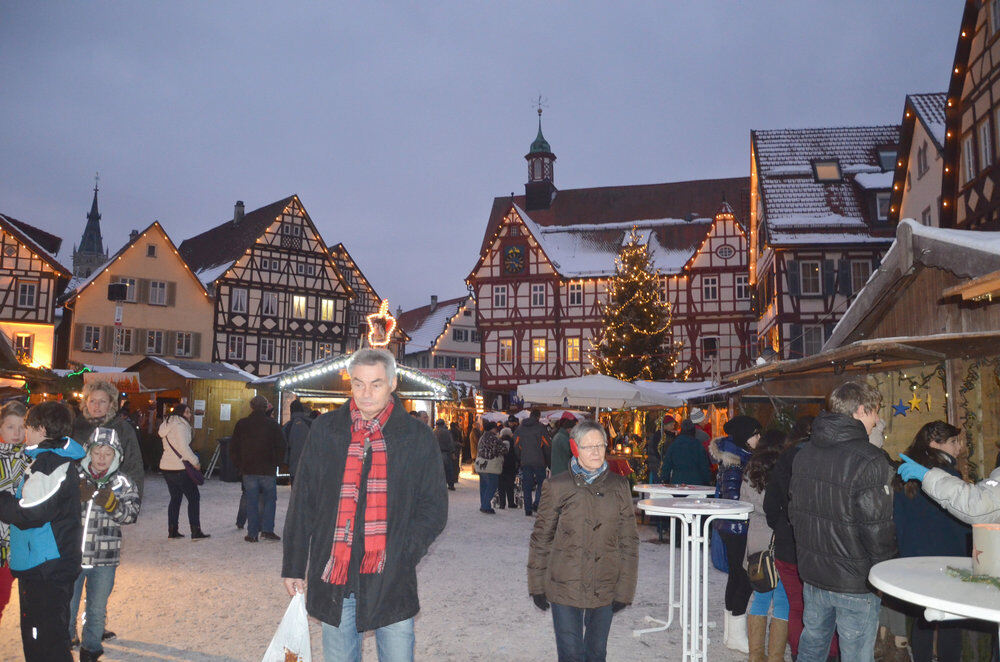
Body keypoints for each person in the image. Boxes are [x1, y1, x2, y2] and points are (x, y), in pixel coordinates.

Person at [281, 348, 448, 662]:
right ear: (350, 384)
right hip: (336, 575)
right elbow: (304, 501)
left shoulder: (417, 436)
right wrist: (293, 564)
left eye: (376, 384)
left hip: (392, 577)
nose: (366, 393)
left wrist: (403, 552)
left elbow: (434, 508)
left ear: (393, 384)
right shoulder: (326, 430)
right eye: (359, 384)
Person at [789, 381, 895, 662]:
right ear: (861, 410)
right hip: (855, 581)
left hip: (814, 575)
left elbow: (794, 514)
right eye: (875, 413)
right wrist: (885, 574)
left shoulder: (804, 454)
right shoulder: (870, 459)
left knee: (812, 647)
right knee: (857, 656)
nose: (877, 421)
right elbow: (877, 528)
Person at [527, 420, 639, 662]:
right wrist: (536, 585)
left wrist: (625, 589)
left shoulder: (619, 486)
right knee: (571, 654)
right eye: (588, 446)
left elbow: (629, 541)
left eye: (600, 445)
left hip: (605, 584)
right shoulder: (556, 486)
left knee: (597, 653)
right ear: (575, 449)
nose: (596, 451)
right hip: (565, 582)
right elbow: (541, 539)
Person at [0, 401, 85, 661]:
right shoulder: (45, 459)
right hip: (42, 563)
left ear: (41, 428)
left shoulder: (50, 463)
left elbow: (30, 512)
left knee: (46, 640)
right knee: (42, 636)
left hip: (47, 568)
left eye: (28, 426)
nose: (25, 431)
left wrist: (3, 500)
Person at [889, 421, 970, 662]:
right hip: (949, 560)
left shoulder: (905, 474)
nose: (959, 448)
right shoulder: (948, 477)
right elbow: (960, 523)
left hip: (915, 559)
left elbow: (899, 520)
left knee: (922, 619)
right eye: (953, 442)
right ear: (934, 444)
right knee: (950, 622)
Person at [764, 415, 838, 661]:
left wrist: (783, 526)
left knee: (797, 605)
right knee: (827, 606)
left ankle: (799, 654)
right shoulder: (831, 456)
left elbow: (771, 504)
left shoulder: (786, 458)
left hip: (789, 544)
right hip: (824, 544)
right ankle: (830, 653)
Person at [70, 427, 140, 662]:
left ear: (116, 456)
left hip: (104, 558)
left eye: (107, 454)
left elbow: (131, 515)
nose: (101, 459)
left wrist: (113, 504)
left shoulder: (122, 483)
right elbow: (58, 512)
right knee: (68, 604)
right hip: (73, 556)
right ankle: (68, 635)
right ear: (88, 453)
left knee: (96, 608)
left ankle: (90, 649)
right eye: (97, 453)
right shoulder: (75, 477)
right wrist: (74, 499)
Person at [709, 414, 762, 653]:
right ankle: (736, 633)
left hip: (735, 527)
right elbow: (732, 500)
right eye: (755, 434)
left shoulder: (740, 457)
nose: (758, 438)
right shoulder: (736, 461)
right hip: (737, 527)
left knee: (736, 577)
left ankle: (732, 632)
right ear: (744, 436)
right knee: (743, 578)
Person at [744, 429, 790, 662]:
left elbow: (745, 504)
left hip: (757, 541)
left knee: (761, 595)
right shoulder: (784, 468)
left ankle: (755, 657)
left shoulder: (751, 468)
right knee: (782, 598)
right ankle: (775, 657)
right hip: (780, 539)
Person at [73, 381, 144, 501]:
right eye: (92, 401)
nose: (97, 406)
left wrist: (133, 500)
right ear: (86, 402)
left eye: (102, 401)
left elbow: (134, 465)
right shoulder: (75, 427)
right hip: (79, 497)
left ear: (111, 404)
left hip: (112, 497)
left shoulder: (123, 429)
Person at [230, 395, 285, 543]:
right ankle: (267, 530)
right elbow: (281, 446)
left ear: (251, 406)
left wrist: (239, 465)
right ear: (266, 406)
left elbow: (234, 447)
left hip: (248, 469)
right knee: (270, 500)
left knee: (252, 501)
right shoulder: (273, 425)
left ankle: (252, 533)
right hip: (268, 469)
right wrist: (277, 463)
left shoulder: (242, 424)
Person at [158, 404, 209, 540]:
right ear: (181, 413)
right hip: (179, 467)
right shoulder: (180, 426)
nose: (189, 415)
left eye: (190, 412)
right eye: (187, 412)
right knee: (194, 498)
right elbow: (184, 448)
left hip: (166, 466)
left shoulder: (167, 425)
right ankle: (195, 530)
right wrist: (195, 462)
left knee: (175, 499)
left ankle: (172, 530)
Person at [0, 400, 26, 625]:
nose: (17, 433)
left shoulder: (32, 459)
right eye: (10, 427)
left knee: (4, 597)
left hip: (19, 542)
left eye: (22, 426)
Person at [515, 409, 551, 516]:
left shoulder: (520, 428)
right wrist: (548, 461)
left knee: (527, 485)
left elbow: (516, 445)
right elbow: (547, 446)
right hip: (539, 460)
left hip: (525, 460)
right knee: (541, 483)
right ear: (538, 416)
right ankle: (537, 503)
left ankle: (528, 509)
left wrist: (519, 458)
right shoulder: (541, 428)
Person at [660, 418, 712, 486]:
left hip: (678, 481)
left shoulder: (674, 444)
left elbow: (667, 464)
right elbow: (704, 465)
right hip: (696, 482)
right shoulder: (698, 445)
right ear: (693, 431)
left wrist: (665, 479)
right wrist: (707, 480)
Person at [475, 421, 505, 514]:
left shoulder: (482, 437)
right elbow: (503, 449)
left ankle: (484, 504)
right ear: (492, 428)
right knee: (492, 485)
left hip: (480, 464)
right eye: (495, 428)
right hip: (491, 465)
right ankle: (485, 506)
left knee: (484, 486)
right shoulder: (493, 438)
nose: (496, 429)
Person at [284, 399, 313, 486]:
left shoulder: (287, 426)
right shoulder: (312, 424)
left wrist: (285, 462)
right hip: (311, 467)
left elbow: (284, 447)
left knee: (296, 495)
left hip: (294, 468)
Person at [497, 427, 519, 510]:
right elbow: (516, 453)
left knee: (501, 486)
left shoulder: (499, 442)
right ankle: (511, 502)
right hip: (510, 466)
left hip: (501, 465)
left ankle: (502, 503)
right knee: (510, 485)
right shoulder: (513, 442)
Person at [433, 419, 456, 491]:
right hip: (446, 453)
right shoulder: (447, 432)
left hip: (436, 453)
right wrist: (453, 452)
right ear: (443, 424)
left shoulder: (434, 432)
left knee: (438, 470)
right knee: (448, 470)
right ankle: (451, 485)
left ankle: (438, 485)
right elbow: (450, 443)